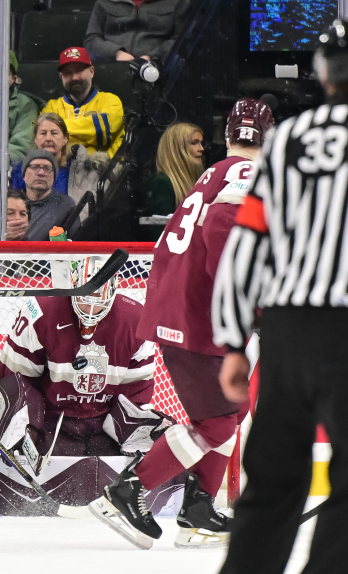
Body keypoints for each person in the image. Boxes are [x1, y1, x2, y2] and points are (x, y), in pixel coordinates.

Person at [89, 97, 274, 550]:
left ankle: (198, 511)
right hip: (201, 319)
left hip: (180, 310)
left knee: (229, 413)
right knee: (216, 423)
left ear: (227, 135)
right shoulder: (251, 176)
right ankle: (125, 491)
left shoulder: (214, 174)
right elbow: (225, 238)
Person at [213, 23, 348, 574]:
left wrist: (232, 340)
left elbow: (248, 242)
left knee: (271, 480)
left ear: (323, 73)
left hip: (289, 329)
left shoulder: (290, 138)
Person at [0, 256, 166, 470]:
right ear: (74, 285)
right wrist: (24, 433)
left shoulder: (137, 322)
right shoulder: (39, 312)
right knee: (27, 480)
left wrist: (132, 432)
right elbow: (15, 380)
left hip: (103, 423)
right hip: (52, 421)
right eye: (85, 300)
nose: (90, 312)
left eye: (99, 303)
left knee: (164, 441)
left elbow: (135, 393)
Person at [11, 113, 110, 221]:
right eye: (43, 133)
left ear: (65, 139)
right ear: (35, 139)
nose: (48, 138)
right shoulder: (21, 170)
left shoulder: (78, 167)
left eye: (54, 133)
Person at [43, 47, 125, 157]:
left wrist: (57, 130)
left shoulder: (111, 101)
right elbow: (44, 139)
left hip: (102, 170)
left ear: (92, 71)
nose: (74, 77)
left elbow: (103, 133)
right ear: (61, 77)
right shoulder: (52, 107)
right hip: (61, 170)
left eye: (79, 70)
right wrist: (89, 130)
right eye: (68, 73)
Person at [84, 0, 191, 63]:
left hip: (159, 67)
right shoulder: (105, 2)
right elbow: (91, 40)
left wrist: (152, 56)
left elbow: (182, 39)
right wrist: (116, 53)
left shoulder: (178, 2)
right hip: (112, 66)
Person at [144, 122, 204, 217]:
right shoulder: (162, 182)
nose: (201, 148)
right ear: (177, 148)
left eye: (201, 143)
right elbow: (159, 228)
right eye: (194, 143)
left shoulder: (197, 181)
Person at [19, 149, 78, 240]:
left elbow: (77, 245)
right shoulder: (11, 202)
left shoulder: (66, 205)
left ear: (54, 177)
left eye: (47, 168)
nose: (41, 173)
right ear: (24, 175)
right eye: (35, 167)